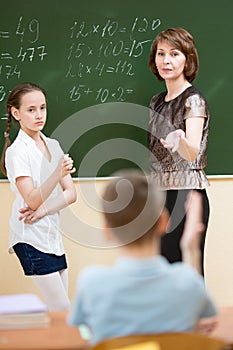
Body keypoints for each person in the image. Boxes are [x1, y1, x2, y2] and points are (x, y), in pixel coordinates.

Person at [67, 170, 217, 345]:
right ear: (163, 223)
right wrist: (191, 250)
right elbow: (200, 321)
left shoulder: (91, 283)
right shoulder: (187, 282)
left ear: (107, 231)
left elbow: (83, 329)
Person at [0, 82, 77, 311]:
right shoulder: (16, 152)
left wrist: (43, 211)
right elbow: (32, 199)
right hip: (30, 238)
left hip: (51, 235)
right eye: (31, 110)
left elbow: (71, 194)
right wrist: (57, 172)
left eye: (42, 108)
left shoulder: (53, 145)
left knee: (60, 312)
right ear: (16, 113)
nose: (39, 115)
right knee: (63, 312)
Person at [147, 27, 210, 275]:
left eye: (174, 54)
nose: (166, 61)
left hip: (186, 195)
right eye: (161, 54)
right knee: (161, 270)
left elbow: (192, 152)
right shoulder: (156, 101)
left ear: (187, 59)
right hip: (159, 195)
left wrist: (180, 139)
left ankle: (194, 315)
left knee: (186, 270)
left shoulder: (193, 100)